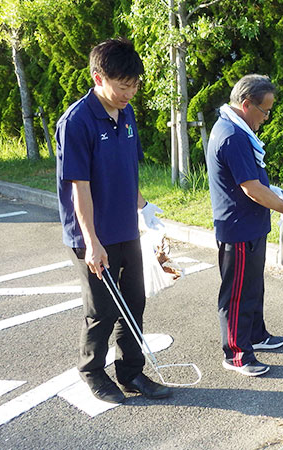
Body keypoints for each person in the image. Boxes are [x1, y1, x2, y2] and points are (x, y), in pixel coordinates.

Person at [56, 38, 170, 403]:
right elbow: (79, 188)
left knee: (134, 302)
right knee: (102, 309)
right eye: (123, 87)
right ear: (98, 78)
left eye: (134, 86)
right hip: (93, 233)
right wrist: (91, 241)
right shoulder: (77, 121)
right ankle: (92, 372)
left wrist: (145, 210)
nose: (130, 94)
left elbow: (128, 171)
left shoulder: (127, 113)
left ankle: (132, 372)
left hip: (126, 228)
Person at [206, 74, 283, 377]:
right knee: (236, 292)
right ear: (246, 105)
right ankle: (236, 353)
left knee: (253, 287)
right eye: (265, 111)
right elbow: (251, 188)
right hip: (238, 228)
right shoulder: (232, 136)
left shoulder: (238, 129)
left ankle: (256, 335)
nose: (267, 118)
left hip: (251, 226)